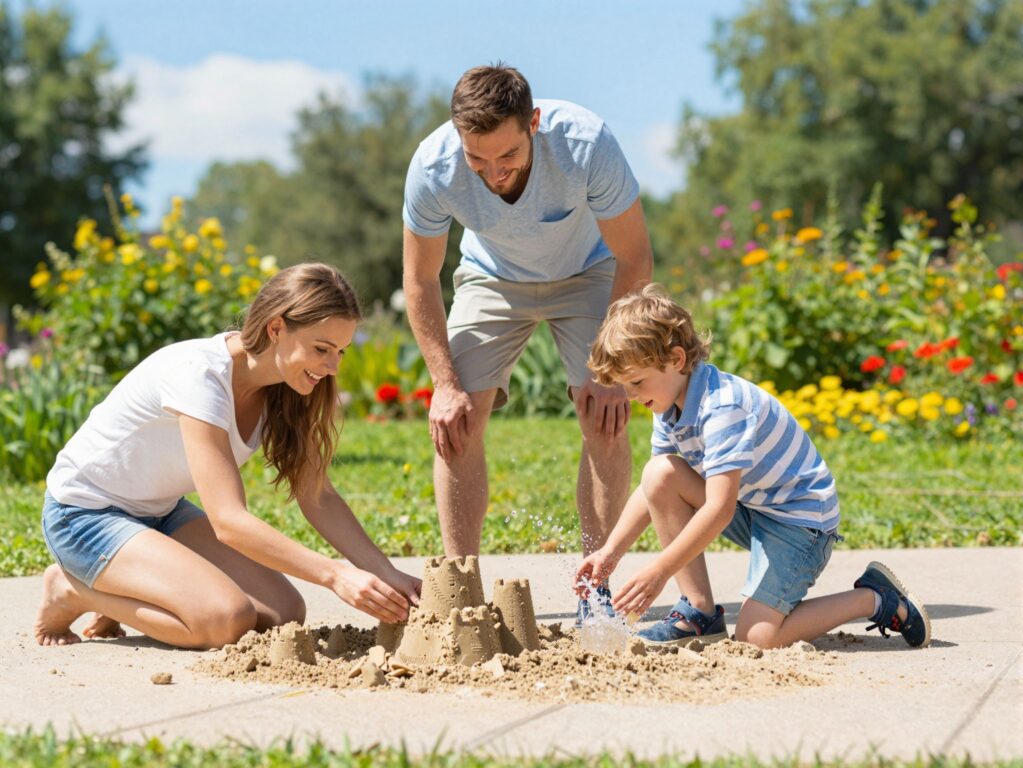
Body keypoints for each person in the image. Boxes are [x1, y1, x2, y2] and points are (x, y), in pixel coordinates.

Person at [34, 263, 422, 649]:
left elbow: (317, 495)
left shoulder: (284, 388)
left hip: (159, 512)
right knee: (225, 621)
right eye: (321, 349)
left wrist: (386, 573)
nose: (333, 366)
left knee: (283, 612)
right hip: (84, 516)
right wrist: (334, 574)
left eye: (340, 351)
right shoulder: (200, 375)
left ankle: (137, 585)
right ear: (276, 328)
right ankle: (72, 591)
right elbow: (229, 522)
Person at [402, 64, 653, 622]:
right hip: (492, 278)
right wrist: (445, 385)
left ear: (533, 123)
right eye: (477, 159)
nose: (493, 173)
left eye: (507, 157)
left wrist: (609, 375)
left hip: (591, 273)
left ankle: (596, 588)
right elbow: (419, 280)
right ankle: (461, 591)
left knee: (604, 415)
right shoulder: (434, 165)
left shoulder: (586, 144)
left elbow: (635, 259)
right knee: (457, 418)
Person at [575, 285, 931, 649]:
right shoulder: (667, 402)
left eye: (636, 382)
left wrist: (660, 570)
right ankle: (698, 612)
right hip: (754, 507)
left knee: (755, 638)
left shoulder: (722, 407)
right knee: (659, 472)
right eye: (626, 386)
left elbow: (719, 509)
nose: (632, 396)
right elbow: (653, 488)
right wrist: (609, 553)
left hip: (799, 523)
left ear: (677, 360)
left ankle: (874, 598)